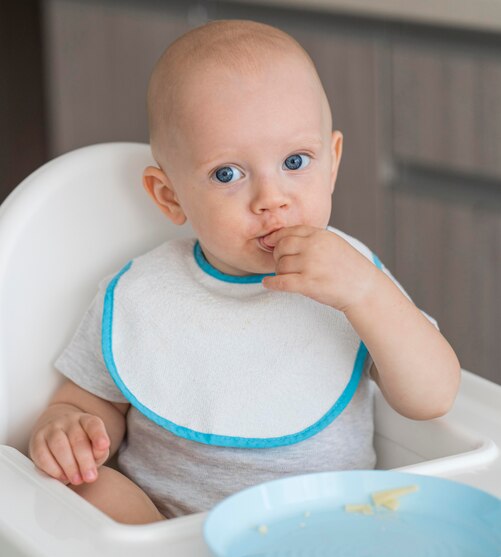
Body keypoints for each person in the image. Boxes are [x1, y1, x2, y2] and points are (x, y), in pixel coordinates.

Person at [28, 20, 461, 524]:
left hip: (323, 523)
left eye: (296, 161)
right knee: (86, 491)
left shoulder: (354, 279)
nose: (270, 198)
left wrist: (367, 295)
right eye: (227, 174)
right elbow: (89, 397)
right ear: (169, 196)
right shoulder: (141, 292)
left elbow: (434, 398)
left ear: (334, 162)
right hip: (164, 530)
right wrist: (69, 427)